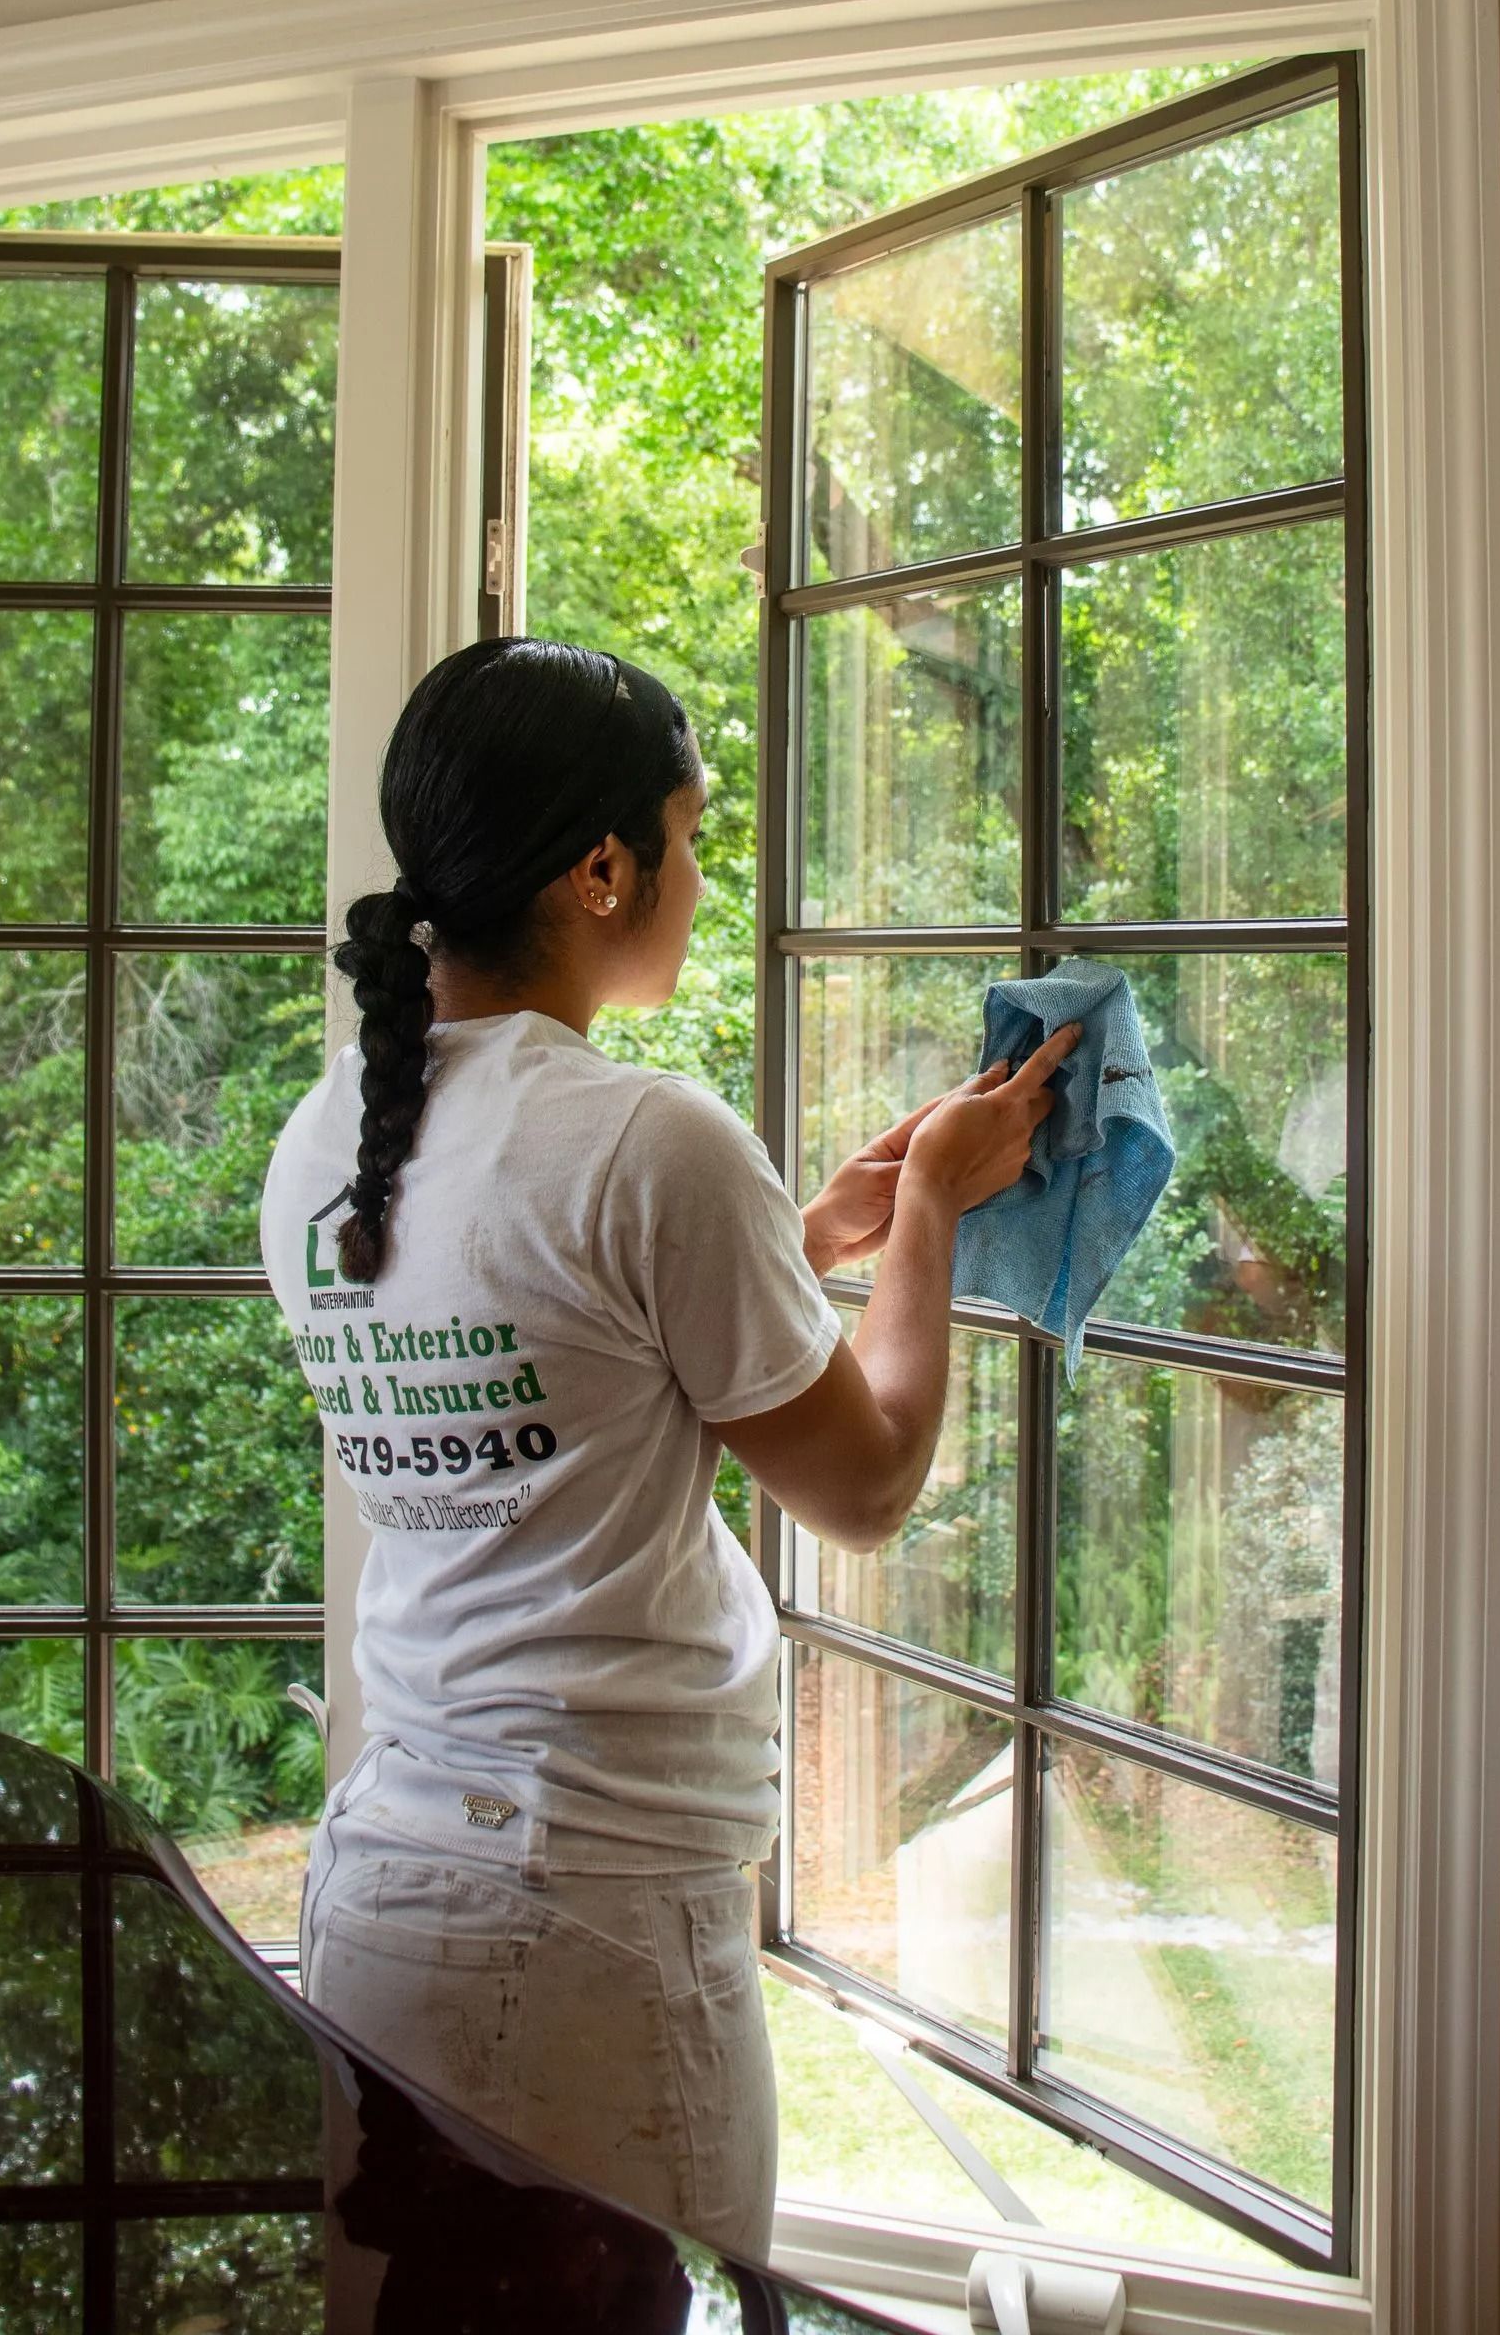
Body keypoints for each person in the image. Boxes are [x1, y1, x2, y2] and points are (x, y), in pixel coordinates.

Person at [262, 636, 1076, 2263]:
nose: (704, 877)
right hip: (589, 1934)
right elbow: (863, 1486)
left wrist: (793, 1229)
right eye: (693, 837)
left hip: (386, 1894)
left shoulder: (327, 1138)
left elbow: (567, 1351)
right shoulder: (650, 1140)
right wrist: (926, 1213)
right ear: (605, 868)